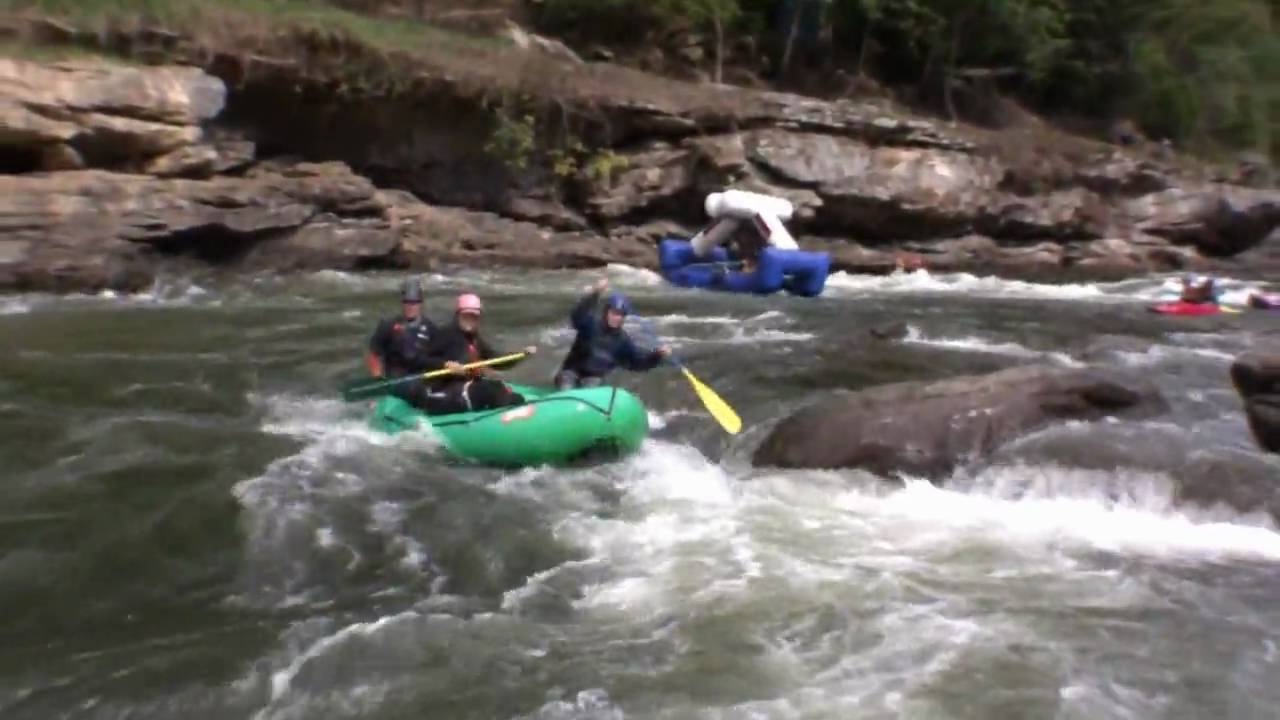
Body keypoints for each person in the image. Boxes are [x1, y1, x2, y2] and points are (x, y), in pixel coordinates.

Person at [418, 293, 537, 415]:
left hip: (465, 388)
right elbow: (422, 359)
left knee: (508, 393)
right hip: (443, 394)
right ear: (458, 315)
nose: (470, 320)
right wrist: (445, 364)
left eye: (473, 317)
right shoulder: (445, 334)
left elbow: (496, 361)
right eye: (466, 316)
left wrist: (521, 355)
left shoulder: (474, 339)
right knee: (487, 390)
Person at [553, 278, 671, 390]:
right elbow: (577, 315)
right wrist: (595, 293)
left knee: (594, 383)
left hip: (593, 380)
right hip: (571, 373)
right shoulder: (590, 324)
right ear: (606, 312)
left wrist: (656, 355)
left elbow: (636, 363)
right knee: (567, 382)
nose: (617, 318)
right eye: (614, 313)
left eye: (621, 315)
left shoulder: (623, 340)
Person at [365, 277, 439, 408]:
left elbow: (440, 355)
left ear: (420, 304)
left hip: (420, 379)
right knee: (415, 388)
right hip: (395, 381)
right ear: (402, 303)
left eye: (414, 303)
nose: (410, 306)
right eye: (407, 302)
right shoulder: (388, 325)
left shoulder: (430, 328)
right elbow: (373, 354)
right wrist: (378, 380)